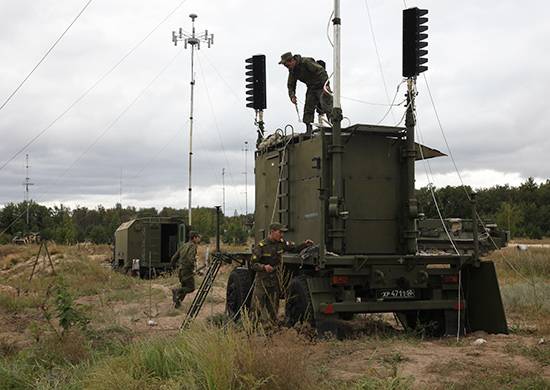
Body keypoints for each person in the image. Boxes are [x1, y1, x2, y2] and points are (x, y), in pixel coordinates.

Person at [250, 223, 313, 324]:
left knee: (273, 309)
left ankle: (272, 330)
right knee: (256, 308)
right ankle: (251, 331)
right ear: (272, 232)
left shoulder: (281, 243)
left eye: (283, 232)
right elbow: (253, 264)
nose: (282, 235)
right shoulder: (261, 246)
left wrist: (305, 244)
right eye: (280, 232)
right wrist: (264, 267)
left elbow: (294, 248)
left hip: (274, 281)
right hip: (262, 282)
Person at [279, 51, 333, 134]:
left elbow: (321, 71)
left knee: (327, 106)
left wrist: (326, 85)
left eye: (287, 65)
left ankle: (335, 126)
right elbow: (291, 84)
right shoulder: (292, 70)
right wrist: (292, 96)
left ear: (291, 60)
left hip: (321, 86)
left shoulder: (306, 62)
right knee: (308, 108)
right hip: (311, 88)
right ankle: (308, 130)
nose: (287, 67)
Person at [170, 231, 201, 308]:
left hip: (181, 270)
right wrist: (193, 267)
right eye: (198, 237)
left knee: (184, 287)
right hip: (187, 270)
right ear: (194, 238)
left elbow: (174, 258)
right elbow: (190, 259)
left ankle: (178, 304)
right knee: (191, 288)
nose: (199, 239)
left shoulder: (183, 245)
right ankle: (176, 290)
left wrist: (172, 266)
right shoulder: (193, 246)